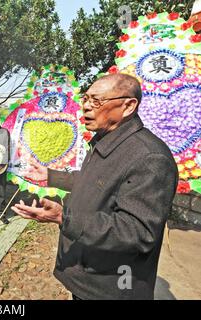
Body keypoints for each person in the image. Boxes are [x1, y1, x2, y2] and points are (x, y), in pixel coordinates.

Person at [12, 74, 178, 300]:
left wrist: (64, 218)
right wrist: (50, 176)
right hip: (88, 274)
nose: (86, 107)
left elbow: (136, 232)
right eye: (86, 99)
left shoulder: (149, 157)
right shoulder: (106, 140)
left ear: (128, 105)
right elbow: (97, 181)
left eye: (97, 101)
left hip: (111, 287)